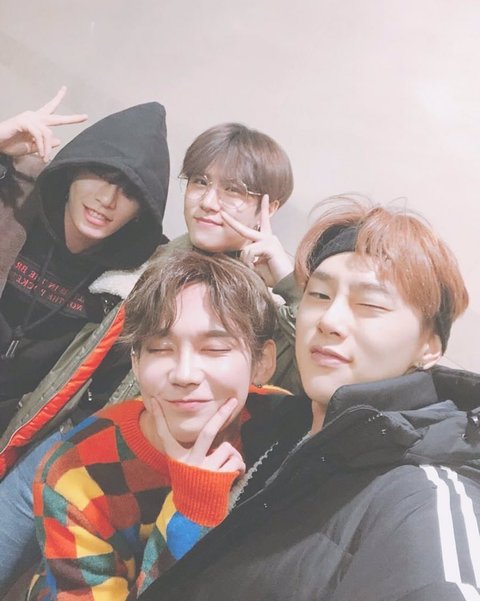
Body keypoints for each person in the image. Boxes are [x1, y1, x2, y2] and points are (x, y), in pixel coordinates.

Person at [0, 117, 298, 594]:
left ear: (271, 207)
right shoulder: (150, 254)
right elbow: (60, 207)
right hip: (63, 436)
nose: (209, 201)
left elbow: (317, 372)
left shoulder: (266, 302)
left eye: (234, 190)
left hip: (139, 473)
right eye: (199, 182)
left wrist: (286, 280)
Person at [137, 197, 480, 601]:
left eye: (370, 304)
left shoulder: (425, 497)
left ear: (429, 346)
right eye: (318, 295)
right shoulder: (278, 424)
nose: (329, 321)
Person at [27, 250, 283, 601]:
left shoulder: (277, 420)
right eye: (160, 348)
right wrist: (191, 510)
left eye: (214, 348)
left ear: (262, 362)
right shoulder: (76, 472)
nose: (184, 374)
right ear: (136, 362)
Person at [0, 89, 170, 593]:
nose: (107, 199)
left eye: (129, 191)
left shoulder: (139, 273)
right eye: (98, 174)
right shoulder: (17, 203)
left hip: (23, 429)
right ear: (72, 171)